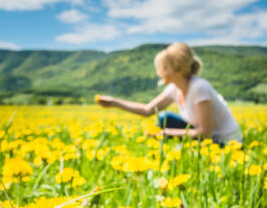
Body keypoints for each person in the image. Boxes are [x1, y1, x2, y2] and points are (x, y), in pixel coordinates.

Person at [96, 42, 242, 145]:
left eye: (163, 68)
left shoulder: (199, 88)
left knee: (177, 147)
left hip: (225, 143)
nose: (158, 72)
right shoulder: (175, 88)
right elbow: (147, 110)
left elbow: (205, 133)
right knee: (164, 117)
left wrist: (166, 133)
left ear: (178, 69)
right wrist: (114, 102)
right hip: (204, 138)